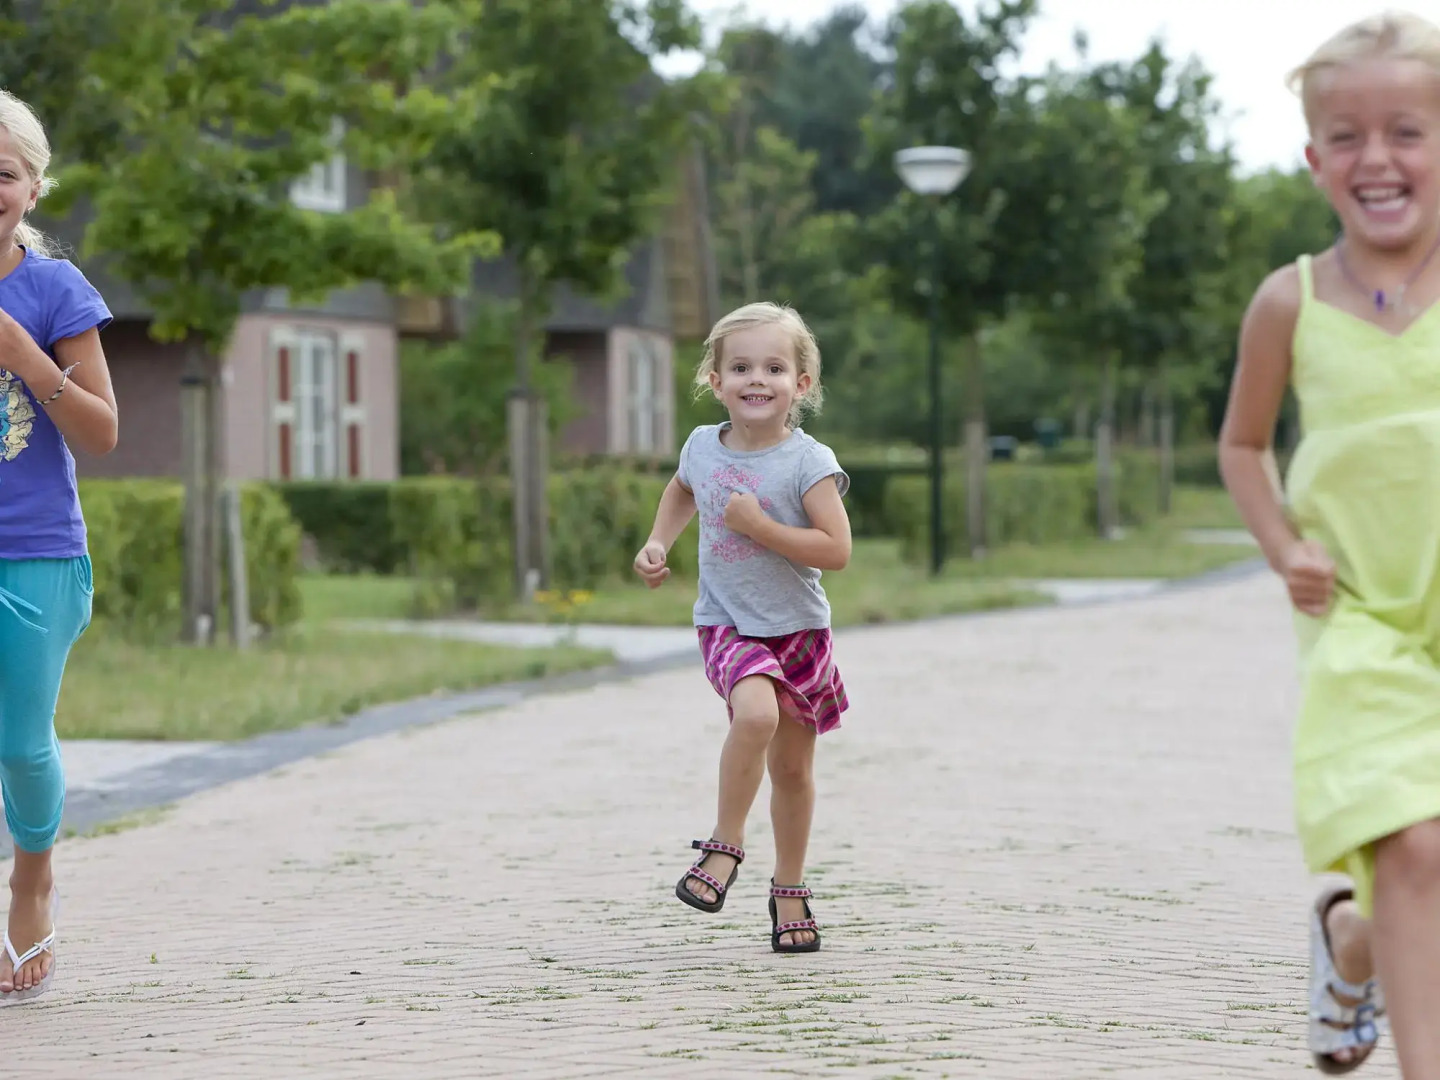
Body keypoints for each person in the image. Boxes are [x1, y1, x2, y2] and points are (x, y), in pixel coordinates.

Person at [1219, 11, 1440, 1075]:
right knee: (1415, 841)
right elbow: (1244, 445)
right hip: (1355, 614)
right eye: (1347, 137)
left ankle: (1352, 946)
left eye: (1408, 129)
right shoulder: (1288, 302)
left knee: (1422, 870)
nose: (1379, 158)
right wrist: (1279, 543)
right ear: (1315, 161)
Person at [633, 301, 850, 953]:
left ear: (801, 385)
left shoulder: (806, 463)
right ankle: (723, 847)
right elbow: (681, 490)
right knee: (753, 717)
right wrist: (657, 543)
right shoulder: (702, 446)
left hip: (799, 634)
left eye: (775, 367)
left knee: (792, 771)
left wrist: (760, 528)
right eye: (741, 367)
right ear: (715, 379)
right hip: (727, 625)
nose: (758, 379)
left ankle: (790, 891)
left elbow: (835, 550)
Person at [0, 90, 118, 1002]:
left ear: (34, 187)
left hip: (30, 553)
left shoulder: (53, 292)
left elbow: (101, 435)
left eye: (4, 173)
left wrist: (22, 354)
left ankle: (31, 876)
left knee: (21, 745)